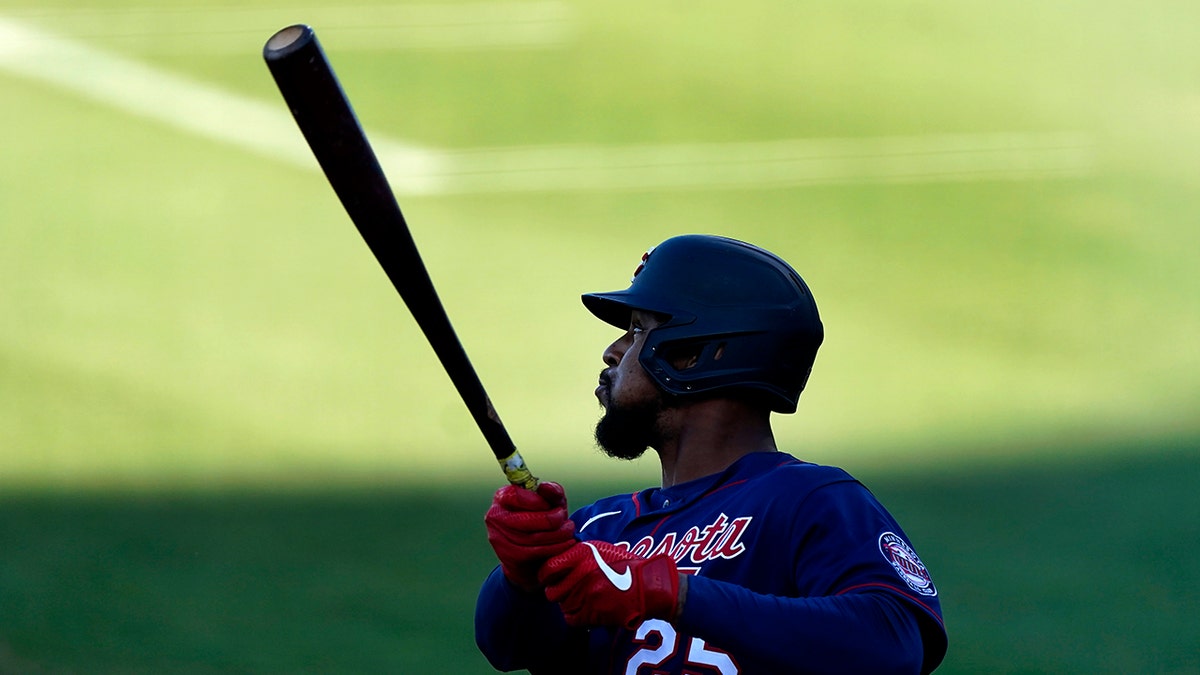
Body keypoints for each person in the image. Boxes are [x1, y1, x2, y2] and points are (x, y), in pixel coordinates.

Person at [475, 234, 947, 674]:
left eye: (638, 331)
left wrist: (670, 593)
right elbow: (505, 645)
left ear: (704, 352)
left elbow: (893, 643)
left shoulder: (807, 499)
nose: (611, 351)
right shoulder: (599, 528)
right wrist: (522, 574)